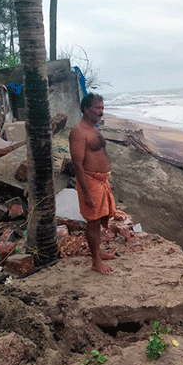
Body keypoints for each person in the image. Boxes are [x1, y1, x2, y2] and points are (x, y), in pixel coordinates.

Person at [69, 94, 117, 273]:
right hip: (90, 181)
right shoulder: (78, 131)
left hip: (102, 182)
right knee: (93, 221)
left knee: (101, 217)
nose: (101, 112)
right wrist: (87, 192)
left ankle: (99, 252)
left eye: (102, 108)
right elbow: (77, 164)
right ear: (86, 109)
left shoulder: (94, 129)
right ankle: (96, 261)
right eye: (97, 108)